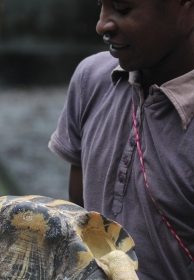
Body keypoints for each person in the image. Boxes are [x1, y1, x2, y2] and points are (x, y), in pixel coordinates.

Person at [48, 0, 194, 278]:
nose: (102, 25)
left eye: (123, 9)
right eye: (100, 5)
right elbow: (78, 218)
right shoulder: (91, 80)